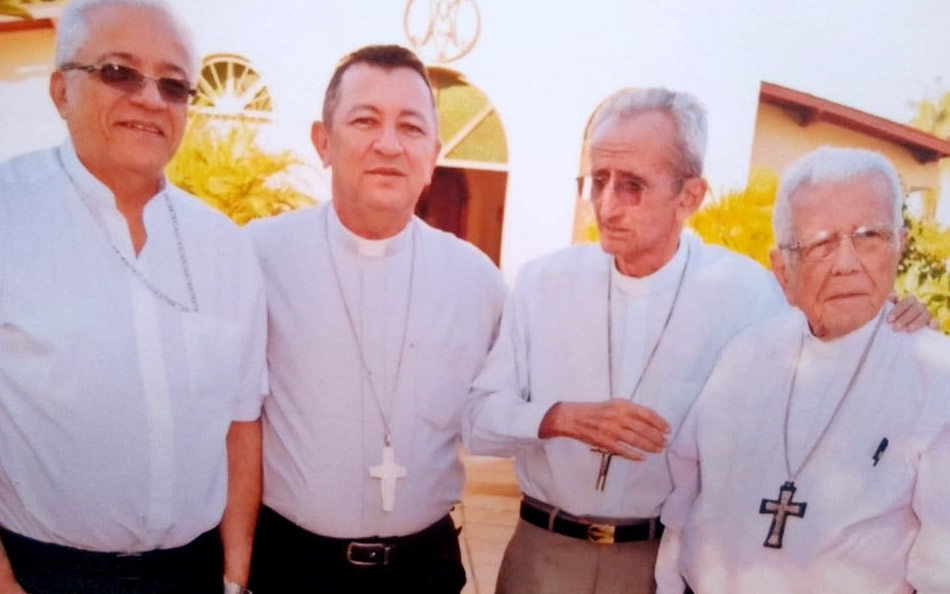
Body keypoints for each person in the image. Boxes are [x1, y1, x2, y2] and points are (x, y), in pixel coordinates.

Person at [461, 88, 931, 594]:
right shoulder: (542, 282)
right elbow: (477, 423)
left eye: (632, 185)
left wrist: (895, 312)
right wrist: (559, 418)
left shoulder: (747, 293)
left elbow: (827, 338)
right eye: (597, 181)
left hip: (652, 561)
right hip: (546, 553)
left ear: (689, 196)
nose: (606, 204)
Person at [0, 1, 266, 593]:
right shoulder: (8, 216)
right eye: (119, 72)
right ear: (60, 91)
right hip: (43, 575)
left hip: (192, 575)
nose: (151, 99)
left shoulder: (224, 246)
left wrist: (234, 574)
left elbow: (241, 425)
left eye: (174, 85)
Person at [244, 45, 506, 594]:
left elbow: (498, 412)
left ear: (434, 154)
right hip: (293, 566)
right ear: (323, 141)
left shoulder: (475, 278)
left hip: (423, 568)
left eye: (411, 127)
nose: (389, 144)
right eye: (365, 120)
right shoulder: (258, 258)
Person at [655, 146, 950, 594]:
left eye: (869, 235)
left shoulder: (935, 375)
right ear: (782, 271)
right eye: (820, 243)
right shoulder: (745, 355)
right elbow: (686, 498)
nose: (847, 264)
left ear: (899, 247)